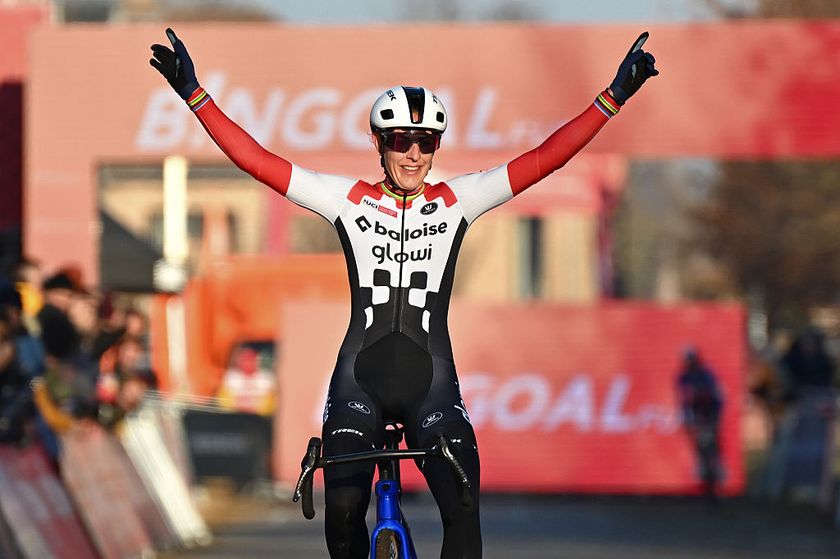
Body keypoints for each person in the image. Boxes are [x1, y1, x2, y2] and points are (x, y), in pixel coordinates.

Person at [150, 28, 657, 558]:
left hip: (430, 384)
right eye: (399, 140)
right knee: (343, 515)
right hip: (359, 382)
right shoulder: (345, 200)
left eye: (426, 142)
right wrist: (195, 96)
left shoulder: (459, 200)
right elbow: (255, 160)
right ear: (377, 142)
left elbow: (546, 157)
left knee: (463, 509)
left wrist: (613, 98)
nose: (413, 154)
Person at [676, 346, 723, 501]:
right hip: (697, 417)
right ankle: (704, 474)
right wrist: (686, 418)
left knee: (712, 447)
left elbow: (717, 398)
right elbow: (683, 401)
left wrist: (716, 418)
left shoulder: (705, 375)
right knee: (700, 447)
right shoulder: (684, 377)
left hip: (709, 416)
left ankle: (716, 474)